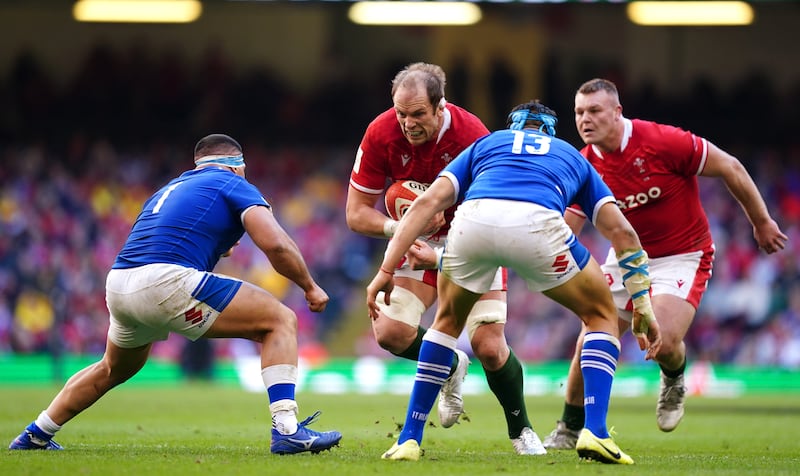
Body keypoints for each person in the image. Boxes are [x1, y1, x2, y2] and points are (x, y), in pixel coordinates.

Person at [366, 100, 662, 464]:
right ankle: (595, 432)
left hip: (474, 220)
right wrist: (643, 304)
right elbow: (623, 233)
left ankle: (409, 438)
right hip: (538, 223)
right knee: (601, 315)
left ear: (512, 126)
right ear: (551, 132)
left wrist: (385, 270)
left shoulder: (488, 144)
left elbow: (428, 202)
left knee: (445, 325)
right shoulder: (572, 155)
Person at [8, 134, 342, 455]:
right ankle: (287, 430)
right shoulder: (232, 182)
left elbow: (170, 235)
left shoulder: (170, 187)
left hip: (121, 283)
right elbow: (276, 244)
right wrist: (309, 286)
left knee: (113, 367)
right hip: (165, 280)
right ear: (236, 165)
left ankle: (36, 433)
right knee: (280, 320)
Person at [542, 78, 788, 449]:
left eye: (594, 111)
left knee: (662, 339)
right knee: (591, 337)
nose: (584, 119)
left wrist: (761, 221)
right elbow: (568, 227)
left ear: (617, 112)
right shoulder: (584, 165)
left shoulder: (661, 141)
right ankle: (569, 428)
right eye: (579, 112)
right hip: (627, 258)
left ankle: (673, 375)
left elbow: (731, 167)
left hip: (682, 256)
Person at [346, 62, 543, 455]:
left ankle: (522, 431)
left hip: (474, 239)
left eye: (418, 114)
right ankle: (451, 365)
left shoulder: (474, 136)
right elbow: (356, 213)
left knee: (488, 346)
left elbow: (497, 213)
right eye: (401, 113)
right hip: (415, 242)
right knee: (390, 332)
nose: (407, 123)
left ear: (440, 108)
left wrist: (439, 253)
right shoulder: (380, 132)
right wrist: (401, 229)